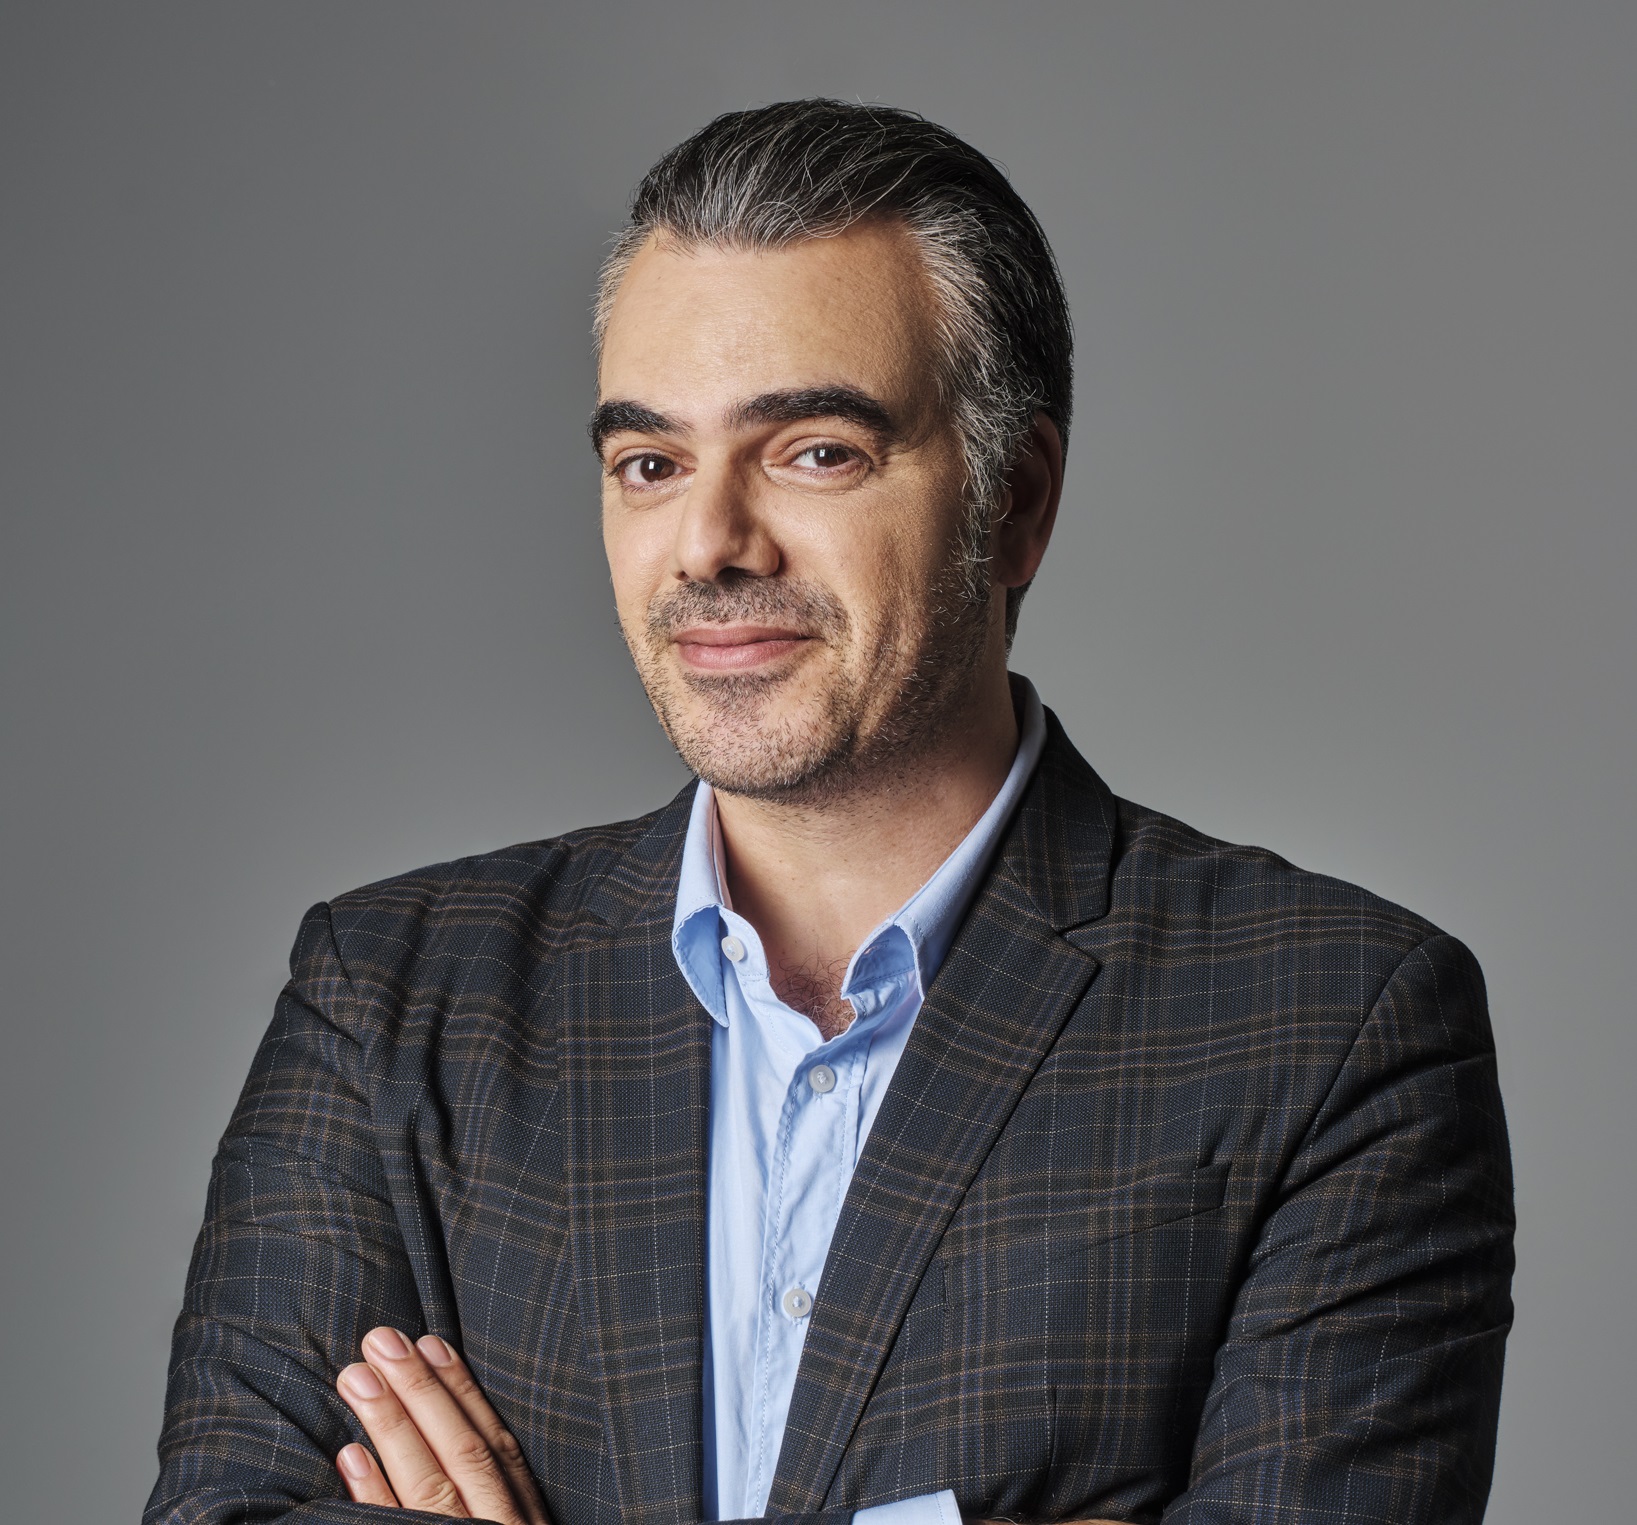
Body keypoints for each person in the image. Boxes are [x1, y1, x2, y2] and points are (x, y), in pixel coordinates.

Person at [146, 100, 1514, 1525]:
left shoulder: (1333, 1026)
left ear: (1017, 500)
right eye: (650, 464)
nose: (709, 545)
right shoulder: (389, 997)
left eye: (814, 452)